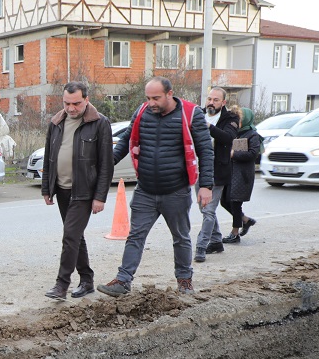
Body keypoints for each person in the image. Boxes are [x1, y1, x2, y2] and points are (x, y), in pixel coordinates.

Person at [97, 76, 214, 296]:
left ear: (170, 94)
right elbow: (126, 141)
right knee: (135, 236)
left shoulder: (191, 114)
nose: (151, 103)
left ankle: (184, 281)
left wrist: (206, 185)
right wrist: (106, 165)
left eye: (156, 98)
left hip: (176, 190)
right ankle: (123, 281)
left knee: (181, 237)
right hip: (146, 189)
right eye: (148, 98)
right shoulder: (142, 112)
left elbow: (206, 151)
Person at [41, 81, 114, 300]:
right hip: (62, 189)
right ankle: (87, 280)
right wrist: (46, 188)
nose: (71, 108)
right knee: (75, 236)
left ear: (86, 100)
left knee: (70, 236)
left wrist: (100, 196)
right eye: (67, 103)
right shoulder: (56, 122)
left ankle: (61, 285)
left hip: (84, 191)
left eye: (76, 103)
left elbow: (106, 164)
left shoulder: (100, 123)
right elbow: (49, 156)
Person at [193, 87, 239, 263]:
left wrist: (208, 127)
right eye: (209, 99)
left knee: (209, 210)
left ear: (223, 102)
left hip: (217, 170)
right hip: (198, 168)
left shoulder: (231, 118)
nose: (211, 103)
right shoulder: (198, 113)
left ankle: (201, 246)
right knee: (204, 208)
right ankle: (216, 240)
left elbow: (228, 137)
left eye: (216, 100)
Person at [220, 106, 262, 243]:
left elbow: (253, 154)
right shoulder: (233, 132)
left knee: (235, 202)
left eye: (240, 118)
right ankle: (245, 220)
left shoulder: (252, 135)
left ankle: (235, 233)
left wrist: (234, 154)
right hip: (230, 171)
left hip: (242, 174)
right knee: (224, 201)